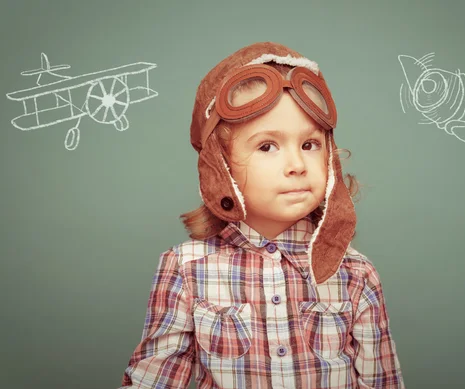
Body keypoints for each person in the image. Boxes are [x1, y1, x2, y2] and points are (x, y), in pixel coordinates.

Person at [119, 41, 405, 389]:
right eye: (267, 146)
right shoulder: (186, 269)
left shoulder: (357, 274)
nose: (297, 165)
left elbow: (382, 380)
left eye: (309, 144)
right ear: (219, 169)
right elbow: (157, 379)